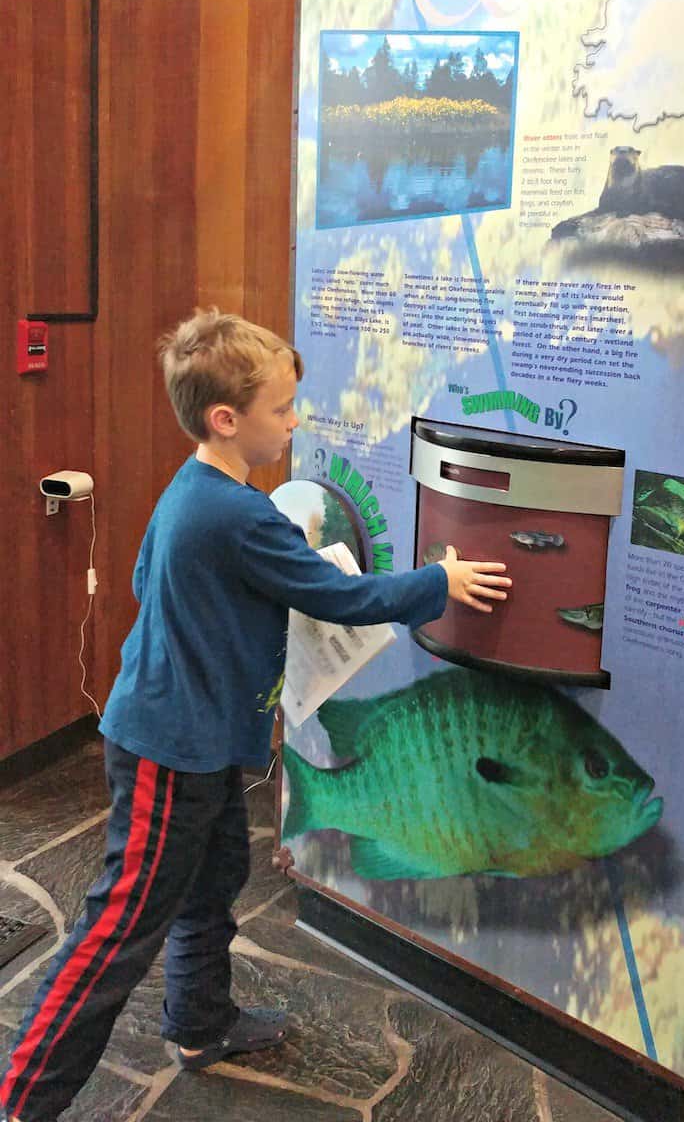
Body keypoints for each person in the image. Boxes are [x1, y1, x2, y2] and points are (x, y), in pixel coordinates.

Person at [1, 309, 510, 1122]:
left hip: (189, 740)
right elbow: (339, 596)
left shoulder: (199, 489)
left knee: (213, 881)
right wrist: (436, 585)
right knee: (117, 929)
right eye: (281, 410)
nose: (294, 420)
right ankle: (24, 1099)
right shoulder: (237, 515)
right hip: (174, 750)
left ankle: (200, 1025)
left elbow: (144, 579)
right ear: (226, 419)